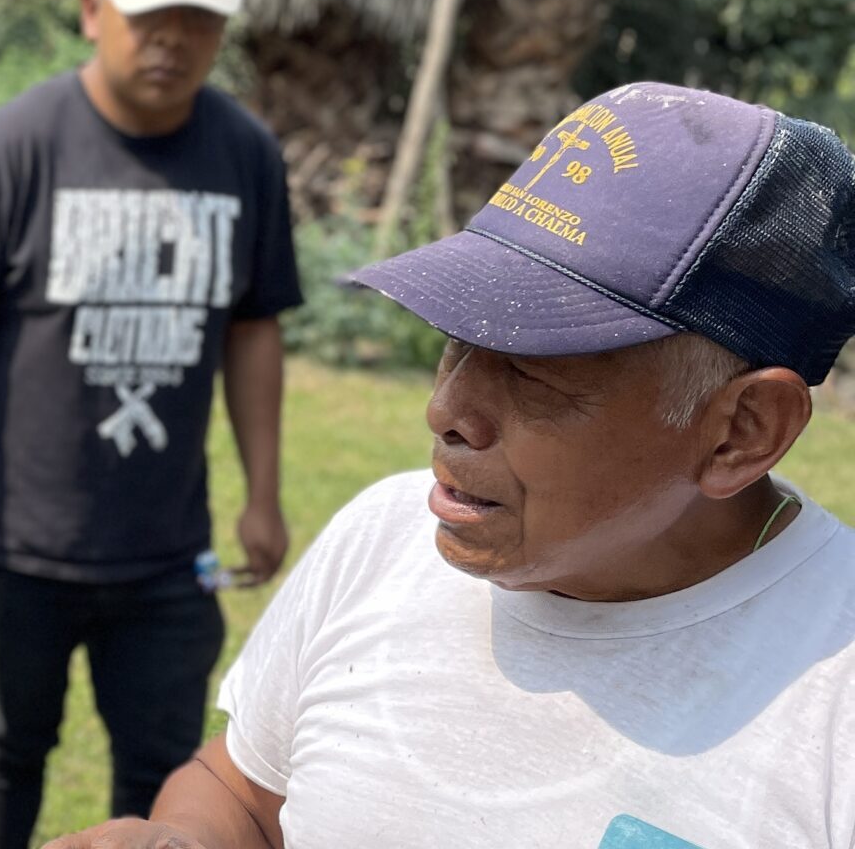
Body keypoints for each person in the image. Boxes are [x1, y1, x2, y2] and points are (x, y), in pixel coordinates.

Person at [45, 82, 855, 849]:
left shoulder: (832, 700)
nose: (446, 411)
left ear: (742, 432)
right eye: (457, 338)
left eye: (539, 367)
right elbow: (247, 795)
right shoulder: (382, 538)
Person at [0, 0, 303, 849]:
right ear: (93, 9)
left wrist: (263, 491)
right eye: (148, 12)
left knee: (164, 769)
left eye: (197, 17)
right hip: (20, 548)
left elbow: (254, 327)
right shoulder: (16, 146)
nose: (171, 37)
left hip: (169, 554)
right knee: (10, 744)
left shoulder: (244, 154)